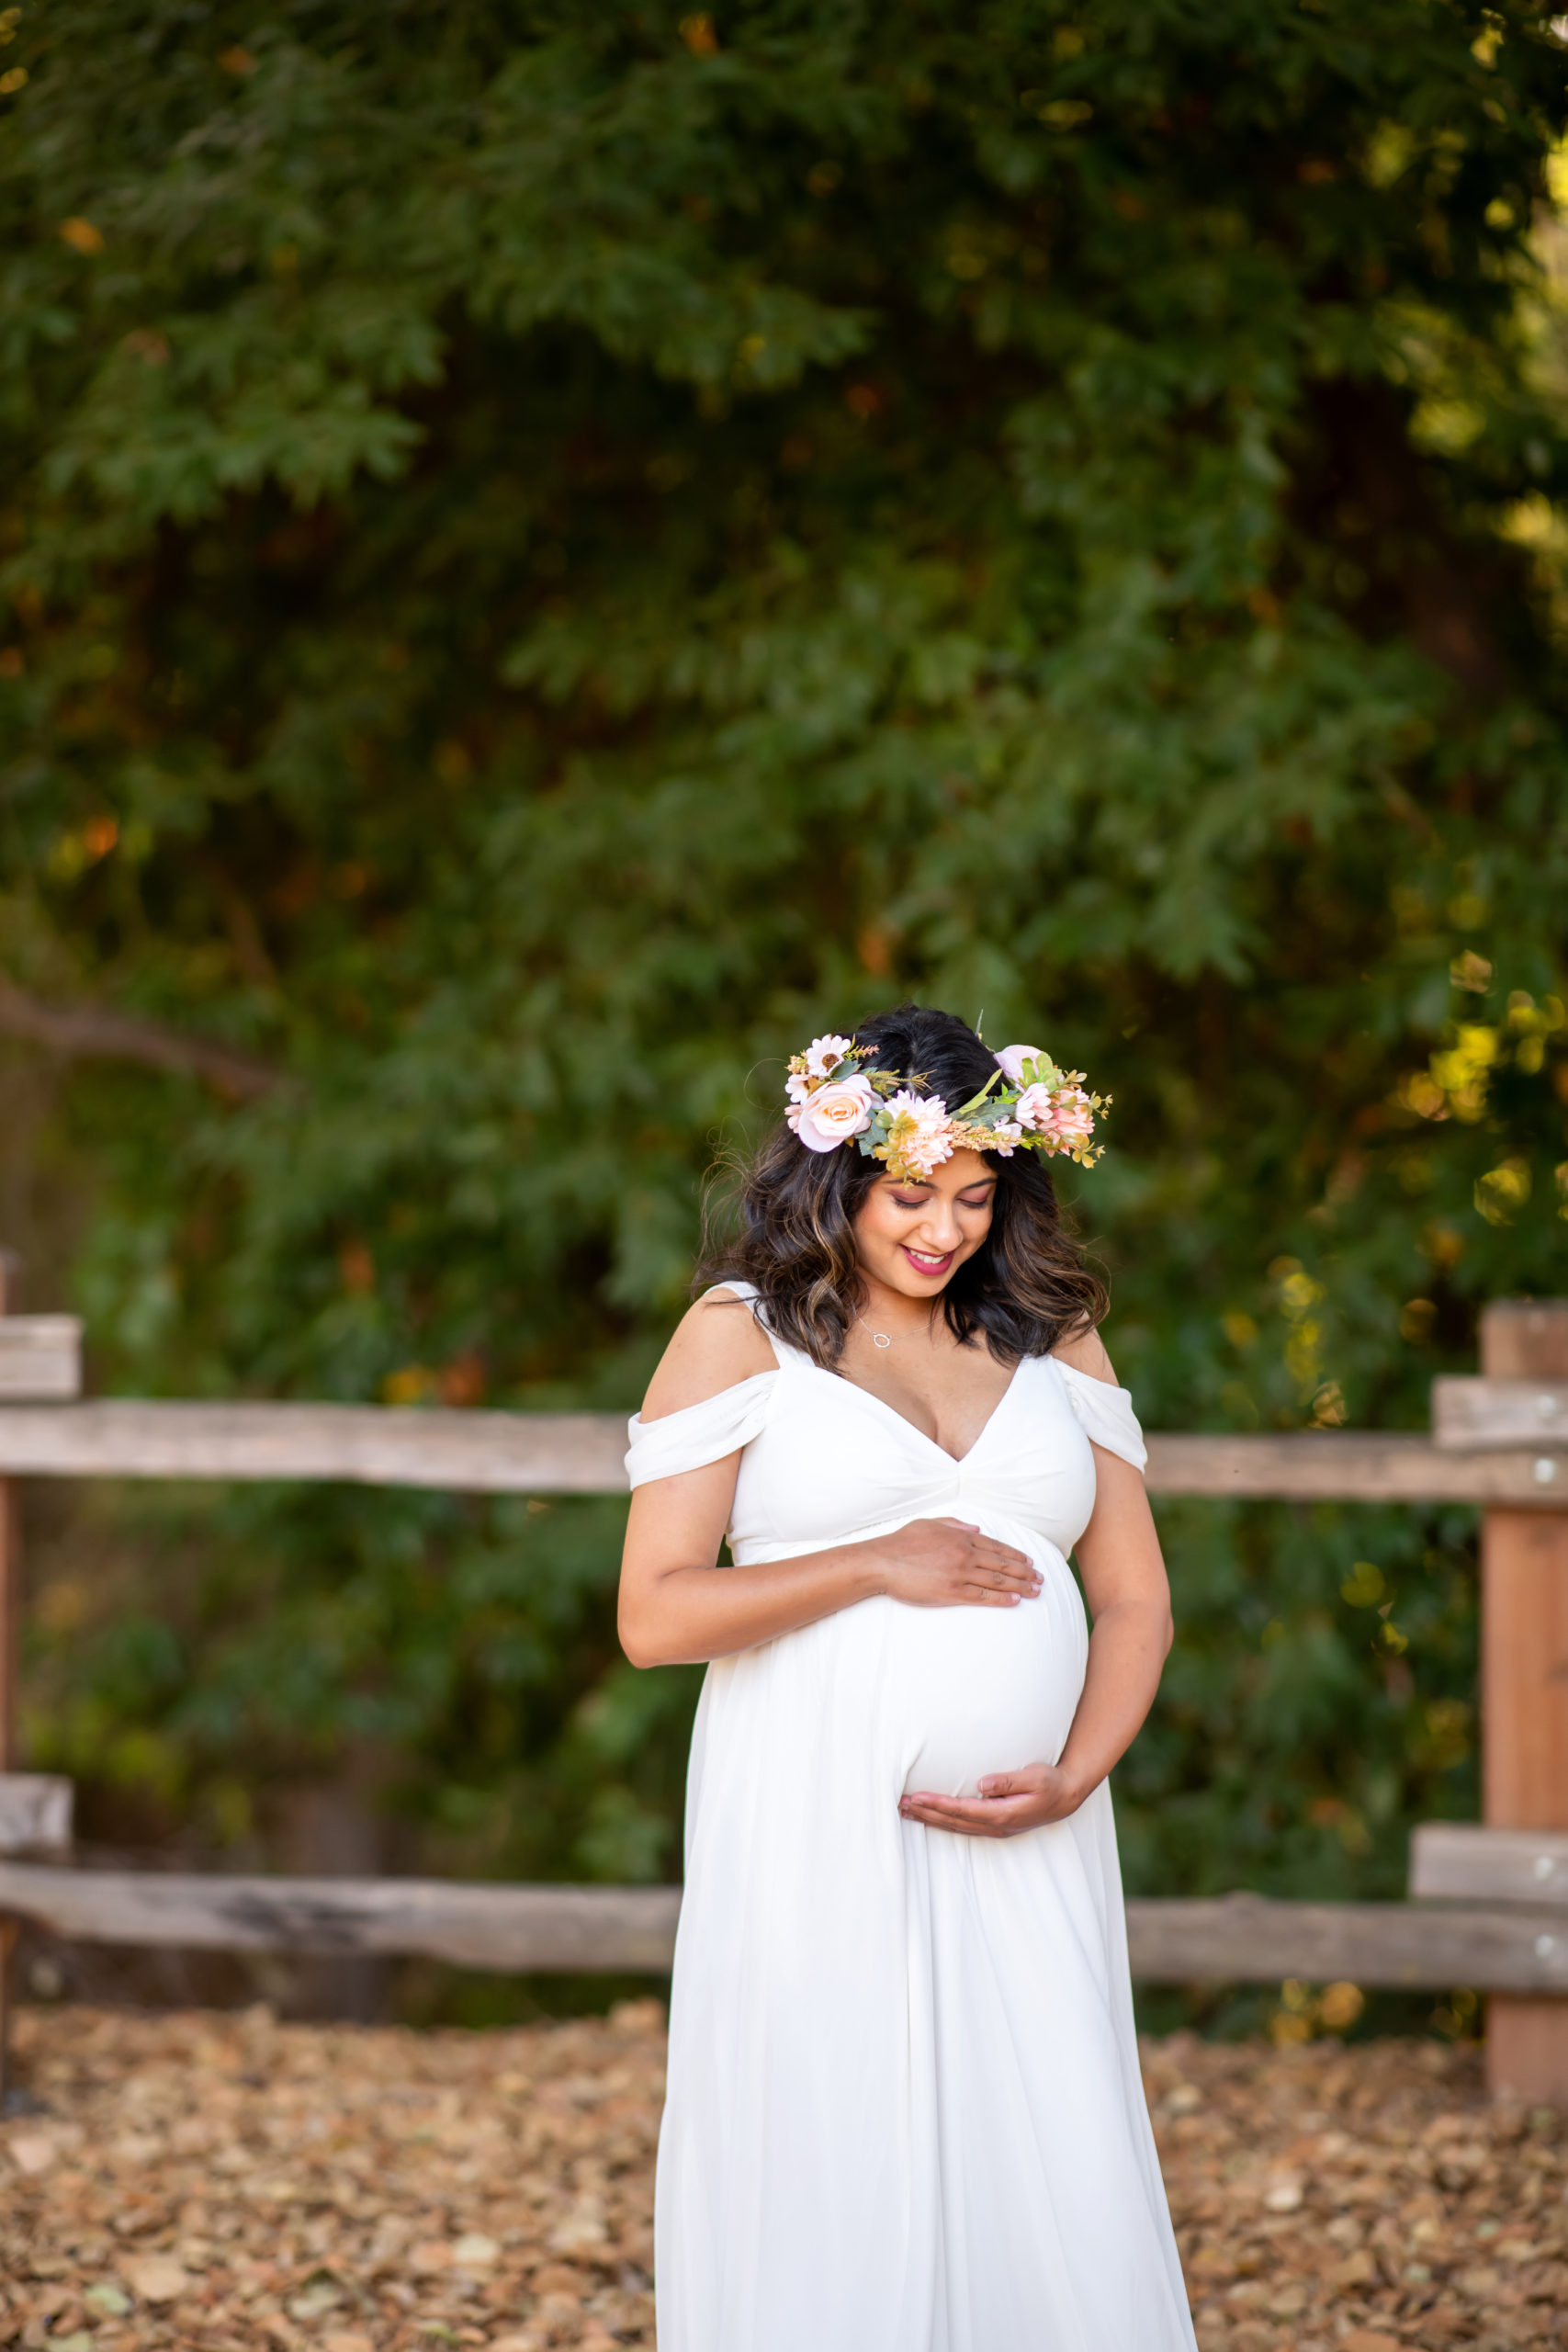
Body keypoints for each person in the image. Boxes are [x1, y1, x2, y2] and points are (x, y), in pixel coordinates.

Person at [618, 1004, 1197, 2352]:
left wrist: (1073, 1776)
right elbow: (655, 1614)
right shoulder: (742, 1330)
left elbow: (1135, 1599)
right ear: (837, 1176)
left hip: (1029, 1830)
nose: (942, 1230)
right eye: (909, 1195)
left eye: (976, 1198)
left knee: (1044, 2137)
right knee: (837, 2137)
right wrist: (876, 1561)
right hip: (812, 1816)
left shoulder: (1056, 1337)